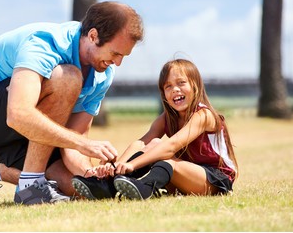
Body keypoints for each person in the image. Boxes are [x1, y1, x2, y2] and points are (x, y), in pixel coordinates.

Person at [0, 1, 144, 207]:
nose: (118, 63)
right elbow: (18, 114)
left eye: (123, 56)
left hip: (25, 127)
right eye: (115, 53)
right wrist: (83, 144)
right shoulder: (45, 43)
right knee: (67, 77)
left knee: (78, 188)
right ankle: (31, 186)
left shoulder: (103, 73)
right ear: (93, 36)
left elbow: (73, 140)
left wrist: (90, 174)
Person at [72, 58, 238, 200]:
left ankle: (144, 188)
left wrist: (133, 165)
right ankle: (107, 185)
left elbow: (171, 146)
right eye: (168, 86)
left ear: (196, 86)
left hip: (215, 180)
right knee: (154, 144)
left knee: (165, 158)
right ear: (163, 93)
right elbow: (140, 144)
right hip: (186, 175)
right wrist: (117, 167)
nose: (175, 90)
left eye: (181, 83)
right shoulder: (166, 118)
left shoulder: (203, 115)